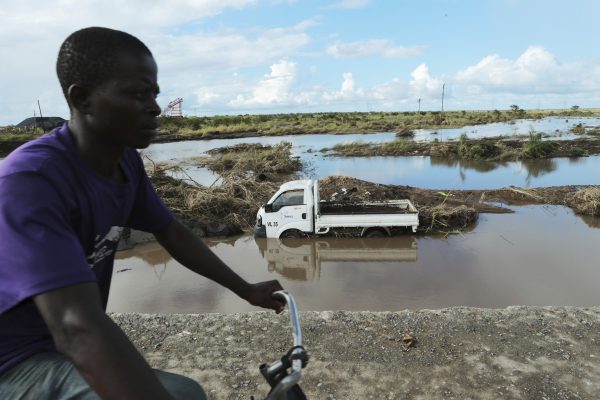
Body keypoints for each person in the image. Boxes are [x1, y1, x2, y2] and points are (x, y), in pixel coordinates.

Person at [0, 27, 285, 399]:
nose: (153, 107)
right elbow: (76, 328)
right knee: (181, 394)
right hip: (15, 361)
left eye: (154, 93)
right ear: (83, 99)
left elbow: (171, 232)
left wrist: (245, 290)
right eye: (137, 93)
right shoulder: (31, 181)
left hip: (56, 344)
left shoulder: (124, 162)